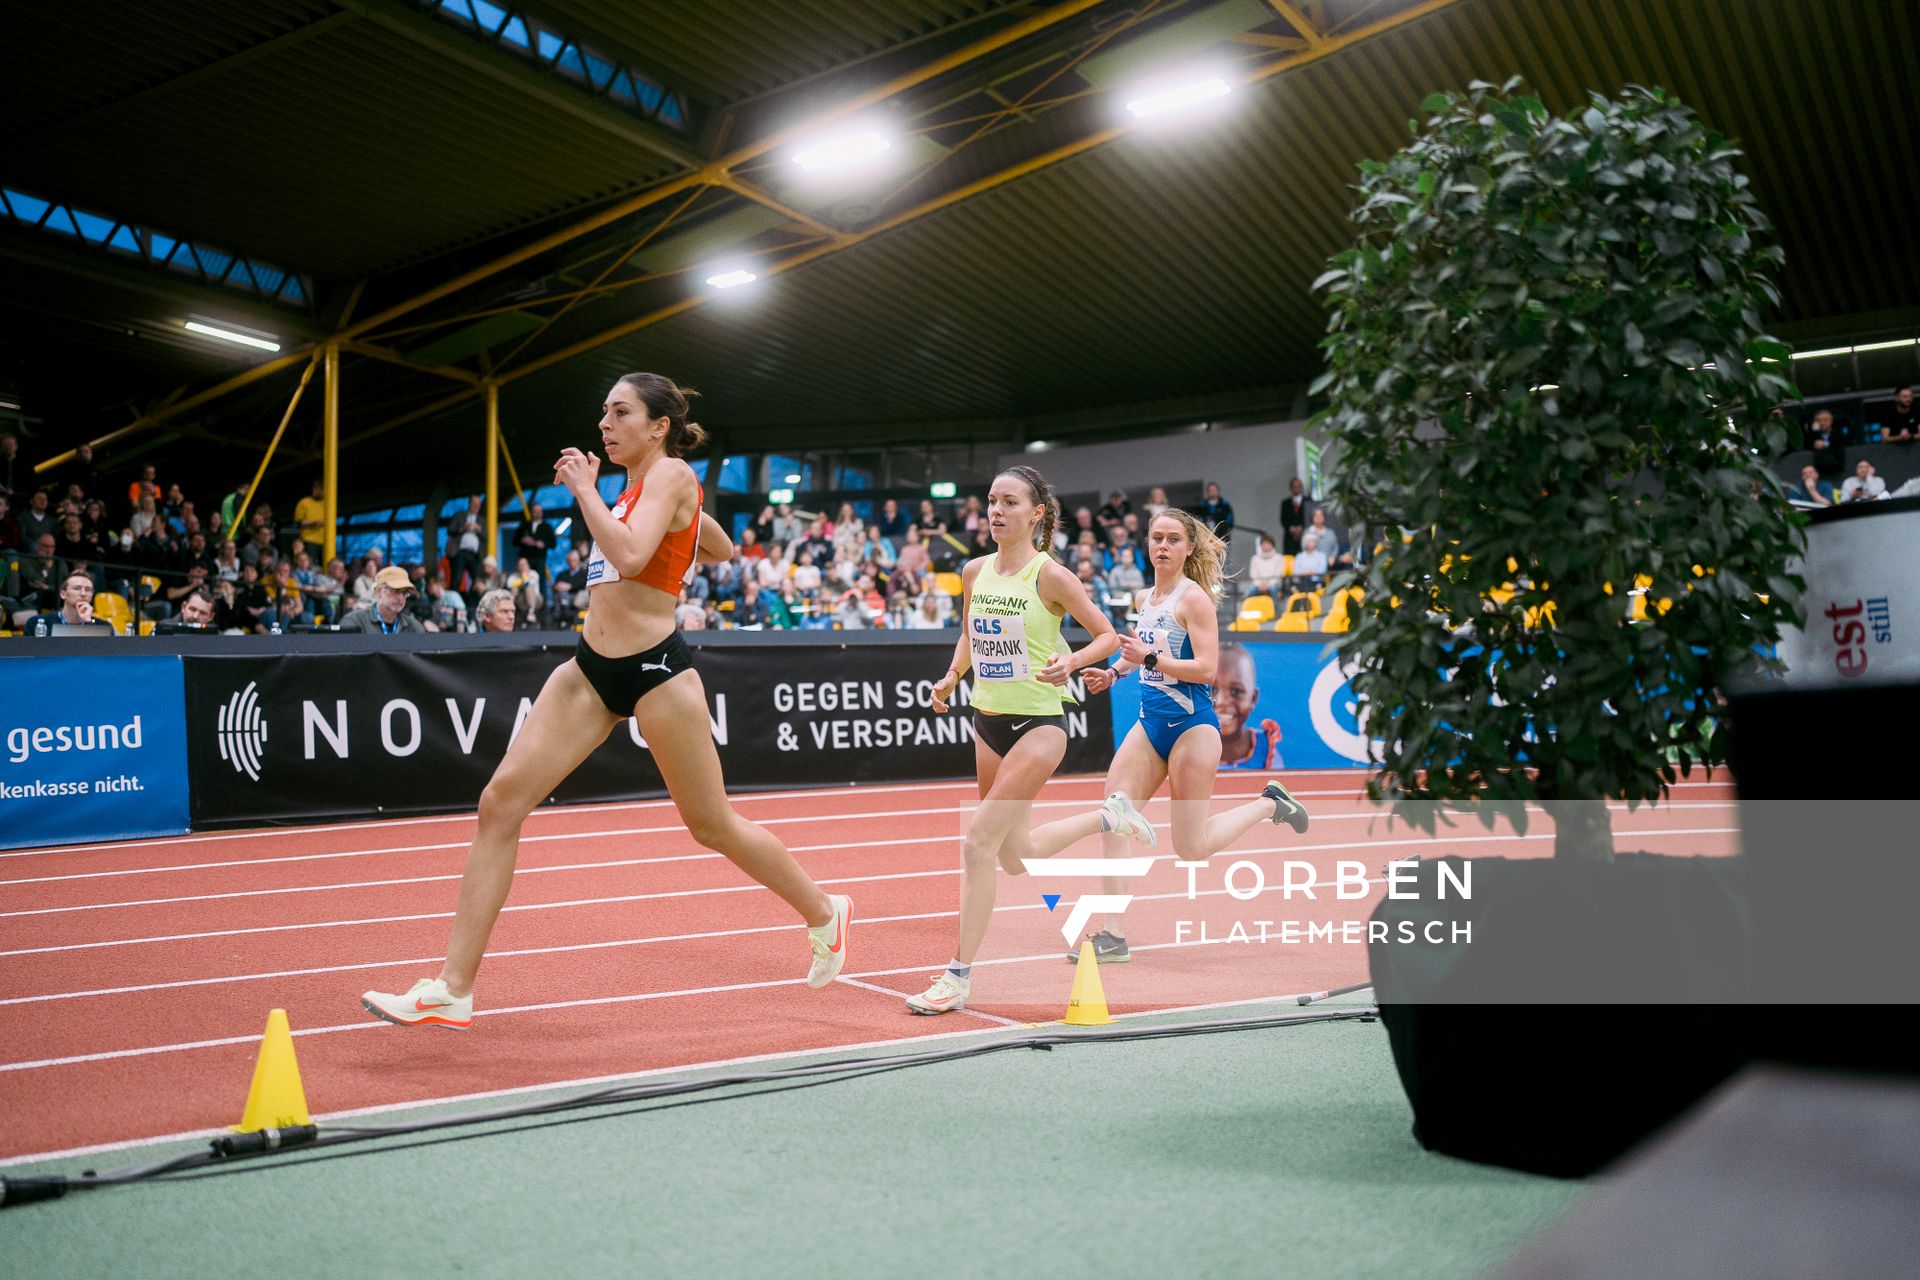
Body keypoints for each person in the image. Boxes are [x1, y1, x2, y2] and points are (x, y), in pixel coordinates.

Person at [363, 371, 849, 1029]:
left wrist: (591, 492)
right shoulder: (641, 487)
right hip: (590, 669)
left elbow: (628, 549)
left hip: (656, 672)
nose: (604, 423)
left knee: (710, 825)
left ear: (658, 427)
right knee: (499, 803)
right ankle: (454, 987)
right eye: (603, 411)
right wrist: (677, 523)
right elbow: (719, 545)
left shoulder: (670, 475)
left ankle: (824, 911)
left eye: (620, 413)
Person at [904, 465, 1123, 1015]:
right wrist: (952, 677)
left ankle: (956, 976)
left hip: (1041, 726)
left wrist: (1070, 661)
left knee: (977, 843)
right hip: (987, 721)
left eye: (1009, 503)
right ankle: (1109, 816)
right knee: (1015, 855)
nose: (996, 511)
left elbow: (1107, 636)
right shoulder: (975, 570)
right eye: (991, 502)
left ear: (1037, 513)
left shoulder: (1051, 576)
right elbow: (968, 634)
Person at [1069, 512, 1310, 959]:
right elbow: (1139, 650)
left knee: (1191, 847)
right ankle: (1114, 934)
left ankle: (1269, 803)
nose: (1162, 545)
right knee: (1114, 818)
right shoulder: (1146, 596)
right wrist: (1114, 673)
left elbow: (1205, 669)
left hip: (1193, 730)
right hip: (1150, 725)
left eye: (1173, 539)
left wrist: (1148, 659)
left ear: (1188, 549)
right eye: (1156, 537)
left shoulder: (1194, 600)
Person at [1214, 641, 1283, 769]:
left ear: (1253, 698)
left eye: (1236, 691)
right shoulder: (1190, 745)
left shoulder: (1267, 750)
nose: (1222, 701)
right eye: (1212, 690)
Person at [337, 566, 426, 634]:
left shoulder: (414, 627)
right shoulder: (354, 622)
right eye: (396, 591)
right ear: (378, 591)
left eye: (405, 593)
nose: (401, 598)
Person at [294, 479, 327, 560]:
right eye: (316, 488)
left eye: (322, 489)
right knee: (310, 564)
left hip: (326, 540)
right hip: (309, 540)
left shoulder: (329, 503)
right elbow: (299, 523)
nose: (319, 491)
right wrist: (313, 524)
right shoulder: (304, 502)